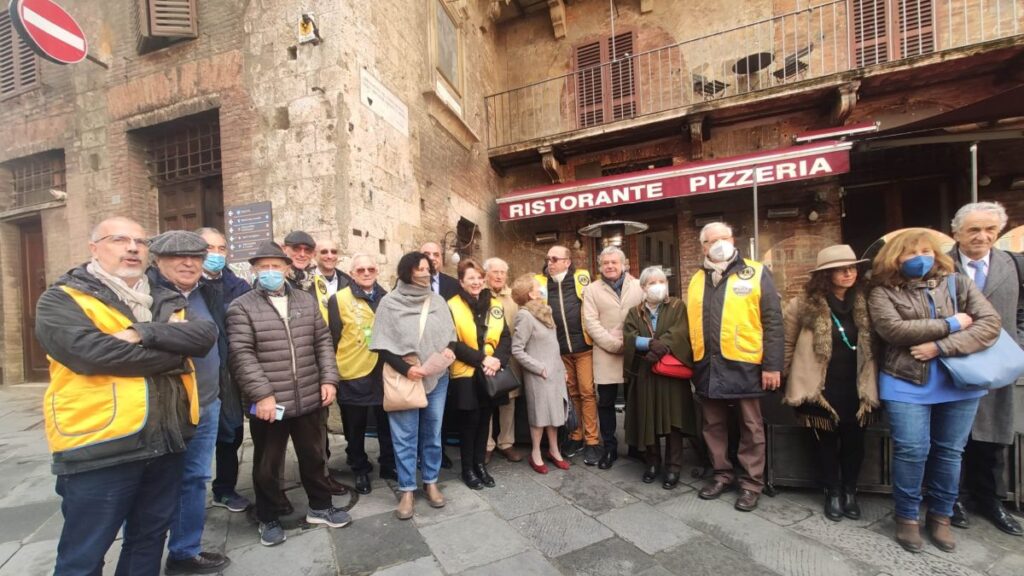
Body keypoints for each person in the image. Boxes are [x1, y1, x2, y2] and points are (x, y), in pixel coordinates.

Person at [37, 217, 217, 576]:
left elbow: (202, 336)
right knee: (83, 554)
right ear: (94, 248)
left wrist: (140, 332)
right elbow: (91, 355)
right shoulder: (62, 298)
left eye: (139, 241)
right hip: (101, 447)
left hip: (165, 442)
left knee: (148, 540)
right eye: (119, 239)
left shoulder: (162, 299)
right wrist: (170, 346)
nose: (132, 247)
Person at [869, 228, 1000, 553]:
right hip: (905, 381)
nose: (920, 258)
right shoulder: (881, 291)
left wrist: (939, 347)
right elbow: (893, 330)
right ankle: (907, 517)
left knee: (949, 452)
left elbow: (989, 324)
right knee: (912, 451)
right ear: (895, 258)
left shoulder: (957, 282)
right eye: (911, 253)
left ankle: (941, 516)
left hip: (960, 382)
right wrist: (953, 323)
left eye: (926, 251)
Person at [227, 241, 350, 547]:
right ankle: (268, 517)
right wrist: (262, 395)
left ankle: (320, 507)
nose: (270, 272)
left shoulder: (306, 301)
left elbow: (322, 341)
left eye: (275, 266)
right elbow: (241, 354)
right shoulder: (241, 306)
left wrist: (329, 380)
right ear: (255, 270)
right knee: (268, 464)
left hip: (309, 395)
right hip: (270, 403)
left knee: (314, 456)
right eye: (263, 267)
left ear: (286, 268)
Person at [146, 230, 233, 575]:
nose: (188, 263)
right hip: (166, 406)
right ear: (157, 261)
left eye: (195, 257)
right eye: (178, 257)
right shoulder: (146, 295)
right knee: (155, 483)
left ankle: (184, 551)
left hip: (207, 401)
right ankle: (144, 558)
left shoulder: (206, 292)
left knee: (195, 477)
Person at [689, 222, 783, 512]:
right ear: (703, 246)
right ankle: (721, 474)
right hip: (709, 365)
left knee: (751, 427)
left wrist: (773, 365)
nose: (718, 244)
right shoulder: (696, 280)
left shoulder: (755, 272)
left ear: (733, 239)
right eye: (711, 240)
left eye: (723, 238)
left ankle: (751, 484)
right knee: (713, 425)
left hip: (746, 365)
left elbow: (773, 322)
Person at [782, 245, 879, 522]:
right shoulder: (803, 303)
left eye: (852, 267)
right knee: (825, 442)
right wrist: (786, 376)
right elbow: (788, 342)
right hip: (819, 385)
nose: (849, 272)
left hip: (859, 384)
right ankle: (832, 491)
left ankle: (850, 491)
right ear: (826, 275)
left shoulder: (868, 299)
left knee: (855, 442)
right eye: (840, 268)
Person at [948, 202, 1024, 537]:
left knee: (993, 436)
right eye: (973, 230)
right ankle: (952, 499)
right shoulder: (941, 266)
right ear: (957, 233)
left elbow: (1022, 311)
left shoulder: (1015, 265)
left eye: (989, 230)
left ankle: (988, 500)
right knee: (952, 437)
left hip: (998, 363)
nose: (982, 236)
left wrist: (1019, 346)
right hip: (954, 362)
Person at [371, 251, 457, 520]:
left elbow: (450, 337)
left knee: (432, 434)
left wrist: (448, 353)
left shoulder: (438, 300)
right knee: (405, 437)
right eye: (419, 268)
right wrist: (408, 369)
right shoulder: (389, 302)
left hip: (436, 378)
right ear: (406, 271)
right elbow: (382, 346)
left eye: (427, 268)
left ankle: (431, 482)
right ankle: (407, 489)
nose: (424, 273)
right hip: (404, 378)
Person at [326, 254, 396, 495]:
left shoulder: (387, 298)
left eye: (371, 268)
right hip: (352, 371)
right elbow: (333, 338)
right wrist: (331, 375)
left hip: (383, 370)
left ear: (377, 271)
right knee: (354, 426)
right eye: (361, 270)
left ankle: (388, 463)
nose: (366, 273)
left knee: (386, 422)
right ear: (352, 273)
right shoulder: (339, 299)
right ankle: (359, 467)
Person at [622, 266, 697, 489]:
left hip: (671, 374)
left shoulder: (677, 306)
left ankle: (674, 467)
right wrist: (648, 344)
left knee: (674, 420)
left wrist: (662, 346)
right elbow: (628, 336)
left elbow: (681, 331)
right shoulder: (634, 312)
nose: (658, 286)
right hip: (646, 373)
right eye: (652, 283)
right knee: (649, 417)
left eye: (661, 281)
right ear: (643, 287)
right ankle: (652, 462)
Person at [196, 227, 252, 514]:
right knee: (195, 436)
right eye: (209, 248)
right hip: (197, 372)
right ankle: (187, 493)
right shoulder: (186, 285)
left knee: (231, 432)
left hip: (229, 370)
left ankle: (225, 489)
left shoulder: (237, 286)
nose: (216, 255)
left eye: (221, 249)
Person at [448, 259, 513, 489]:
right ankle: (468, 469)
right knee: (470, 423)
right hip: (466, 371)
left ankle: (480, 465)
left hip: (490, 370)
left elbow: (505, 336)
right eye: (470, 278)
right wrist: (482, 359)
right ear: (461, 282)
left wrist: (497, 361)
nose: (476, 282)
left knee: (485, 419)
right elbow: (452, 343)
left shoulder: (494, 303)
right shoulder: (452, 305)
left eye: (478, 277)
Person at [536, 245, 599, 464]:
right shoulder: (542, 284)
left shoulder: (582, 279)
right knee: (571, 394)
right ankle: (576, 435)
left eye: (554, 259)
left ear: (567, 261)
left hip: (583, 348)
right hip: (560, 351)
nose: (550, 263)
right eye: (548, 259)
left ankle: (592, 440)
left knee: (587, 392)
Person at [582, 246, 644, 469]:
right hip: (606, 353)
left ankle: (636, 446)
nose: (609, 266)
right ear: (600, 266)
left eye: (614, 262)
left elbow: (647, 315)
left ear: (623, 264)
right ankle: (609, 447)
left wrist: (629, 344)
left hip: (635, 354)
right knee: (606, 402)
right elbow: (591, 323)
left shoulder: (639, 286)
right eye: (605, 263)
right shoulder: (591, 290)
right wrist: (615, 344)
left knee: (634, 401)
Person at [510, 274, 570, 474]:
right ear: (530, 293)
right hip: (539, 374)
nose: (542, 288)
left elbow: (554, 345)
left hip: (555, 371)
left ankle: (554, 450)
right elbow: (517, 349)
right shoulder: (524, 315)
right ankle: (536, 453)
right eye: (538, 286)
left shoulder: (546, 312)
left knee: (555, 413)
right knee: (539, 416)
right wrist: (538, 368)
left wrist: (562, 368)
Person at [421, 241, 459, 470]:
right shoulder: (406, 284)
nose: (433, 258)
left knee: (440, 411)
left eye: (436, 254)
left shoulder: (452, 285)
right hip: (419, 359)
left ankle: (440, 451)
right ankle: (420, 454)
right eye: (427, 254)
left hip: (446, 357)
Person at [483, 257, 522, 464]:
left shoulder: (514, 297)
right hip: (487, 358)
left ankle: (506, 443)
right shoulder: (481, 295)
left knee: (509, 402)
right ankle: (486, 445)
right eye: (494, 272)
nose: (499, 276)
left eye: (502, 272)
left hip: (510, 358)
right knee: (488, 399)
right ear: (486, 274)